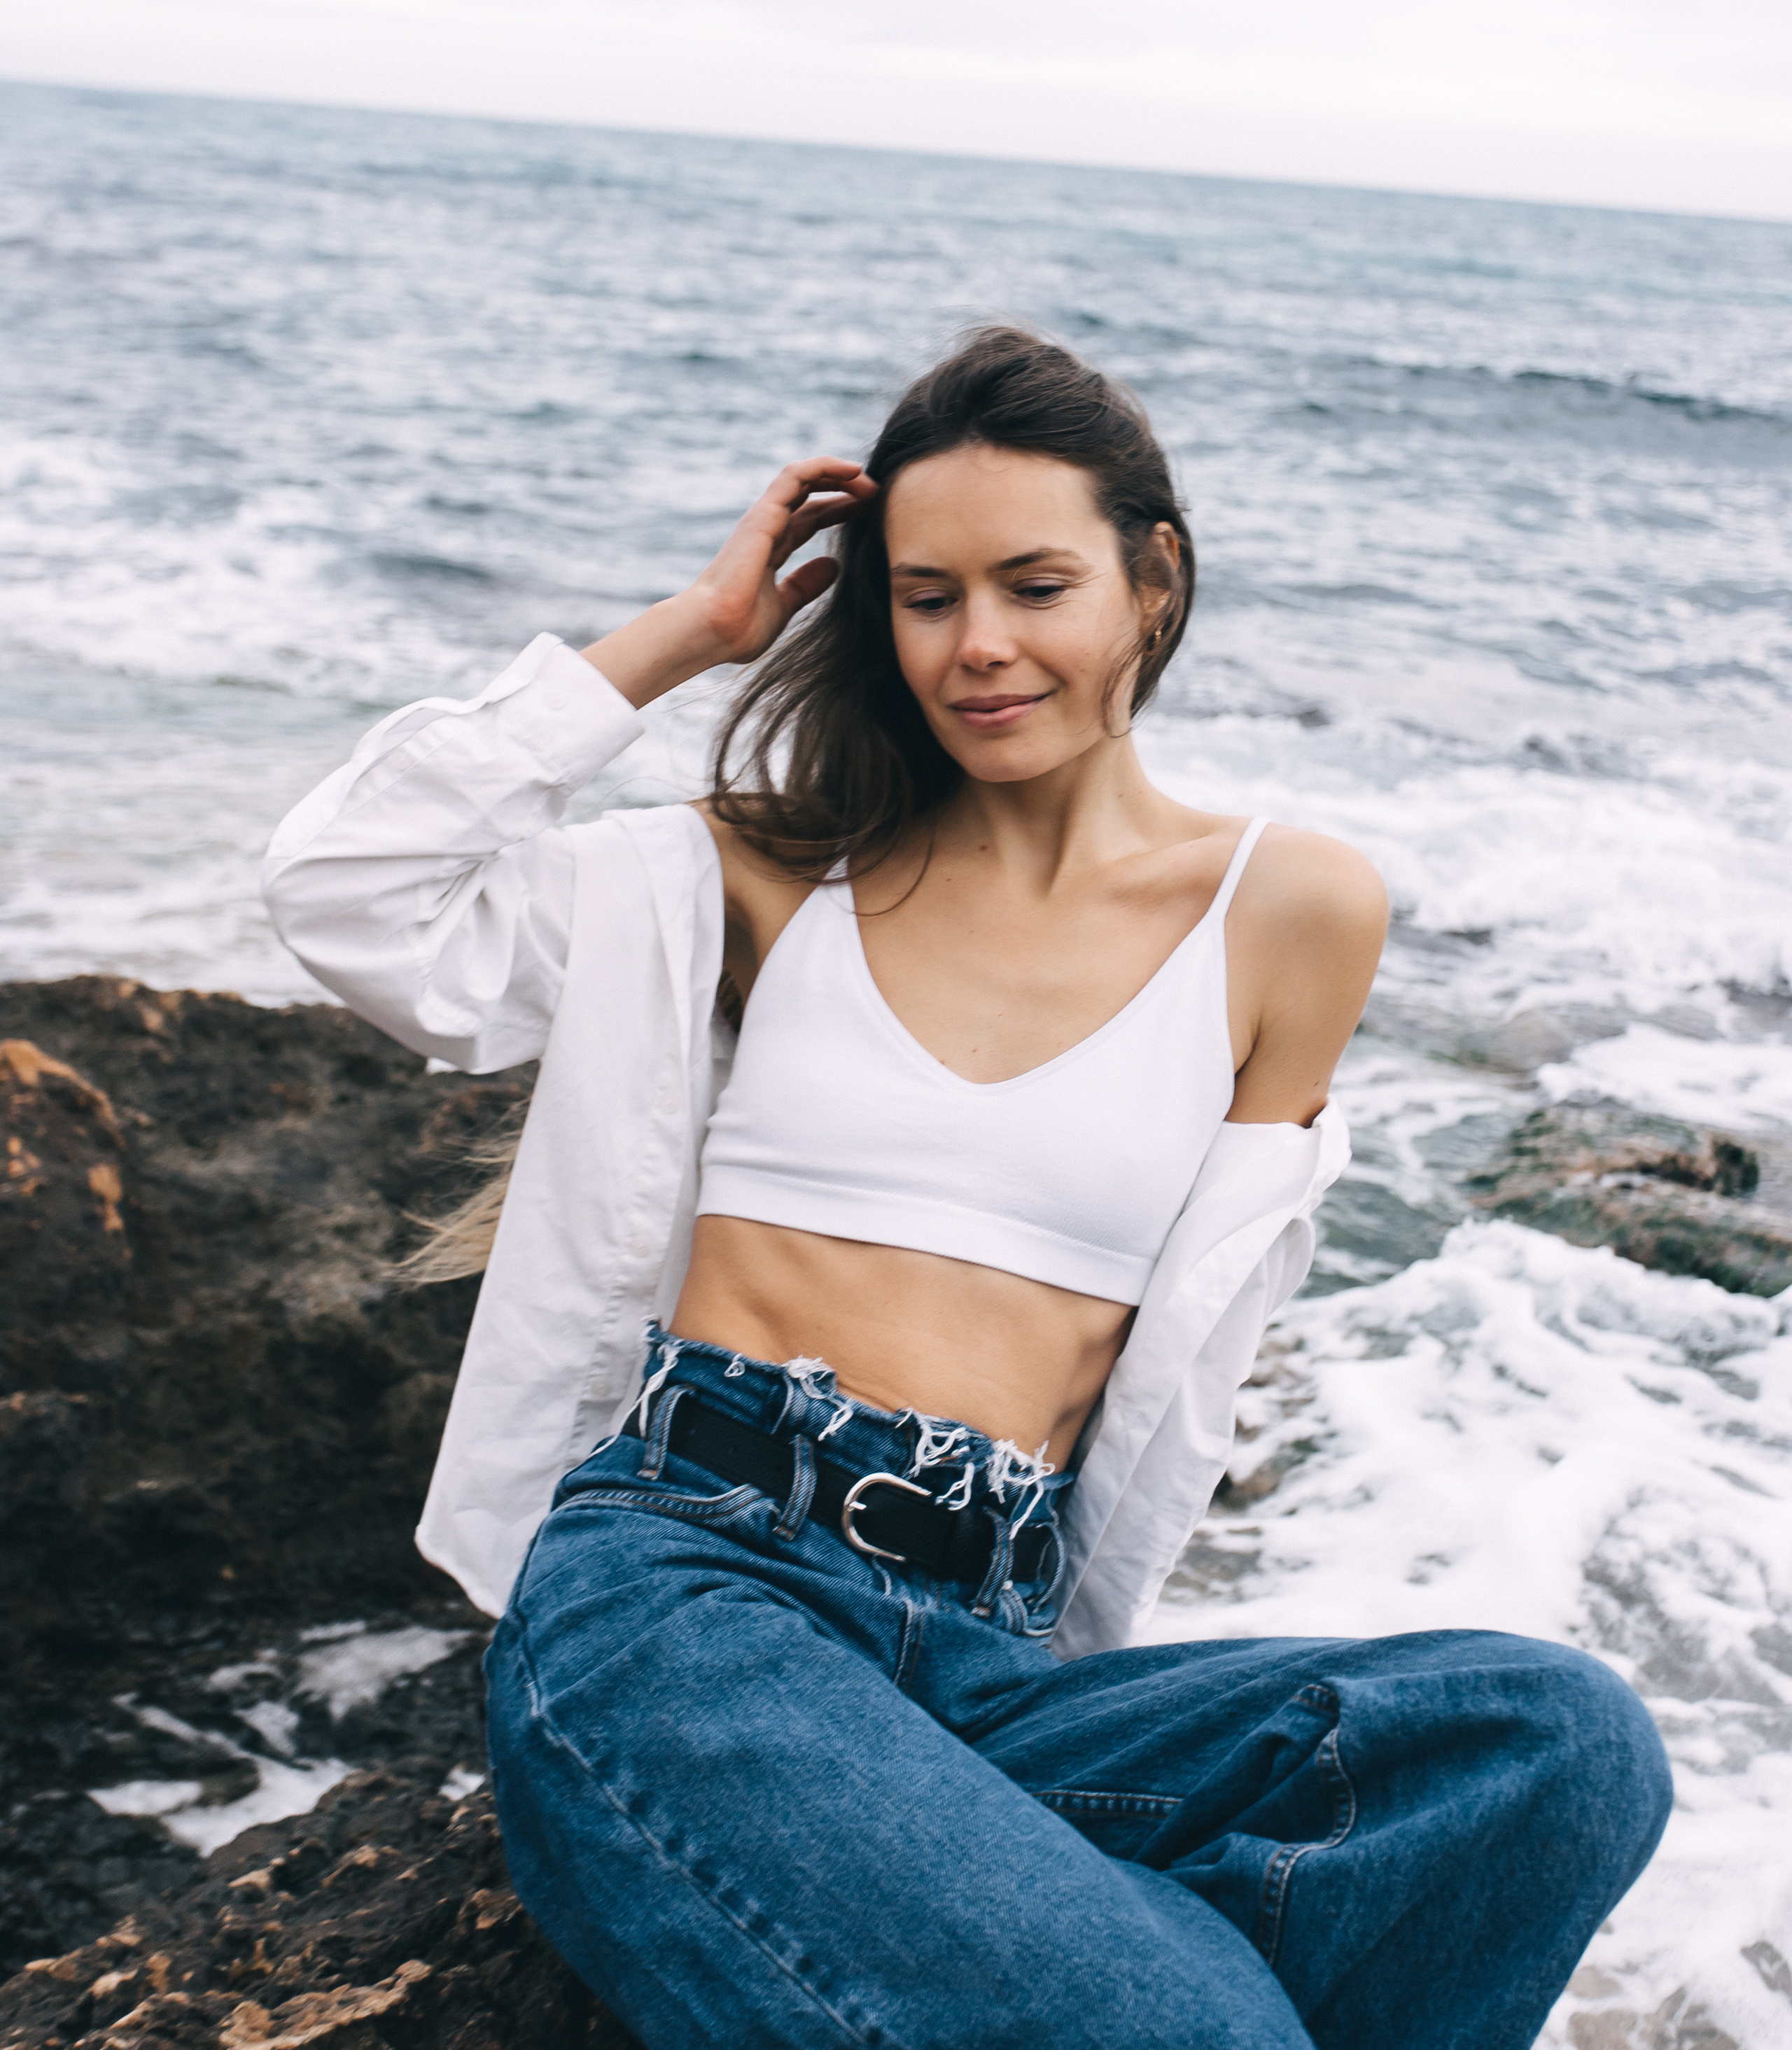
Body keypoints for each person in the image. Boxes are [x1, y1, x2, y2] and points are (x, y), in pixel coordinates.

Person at [263, 326, 1670, 2050]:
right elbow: (353, 894)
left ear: (1151, 582)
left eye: (1033, 583)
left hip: (992, 1659)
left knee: (1553, 1749)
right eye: (924, 597)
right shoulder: (767, 872)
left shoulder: (1288, 911)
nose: (978, 646)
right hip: (690, 1595)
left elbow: (1173, 1387)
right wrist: (686, 639)